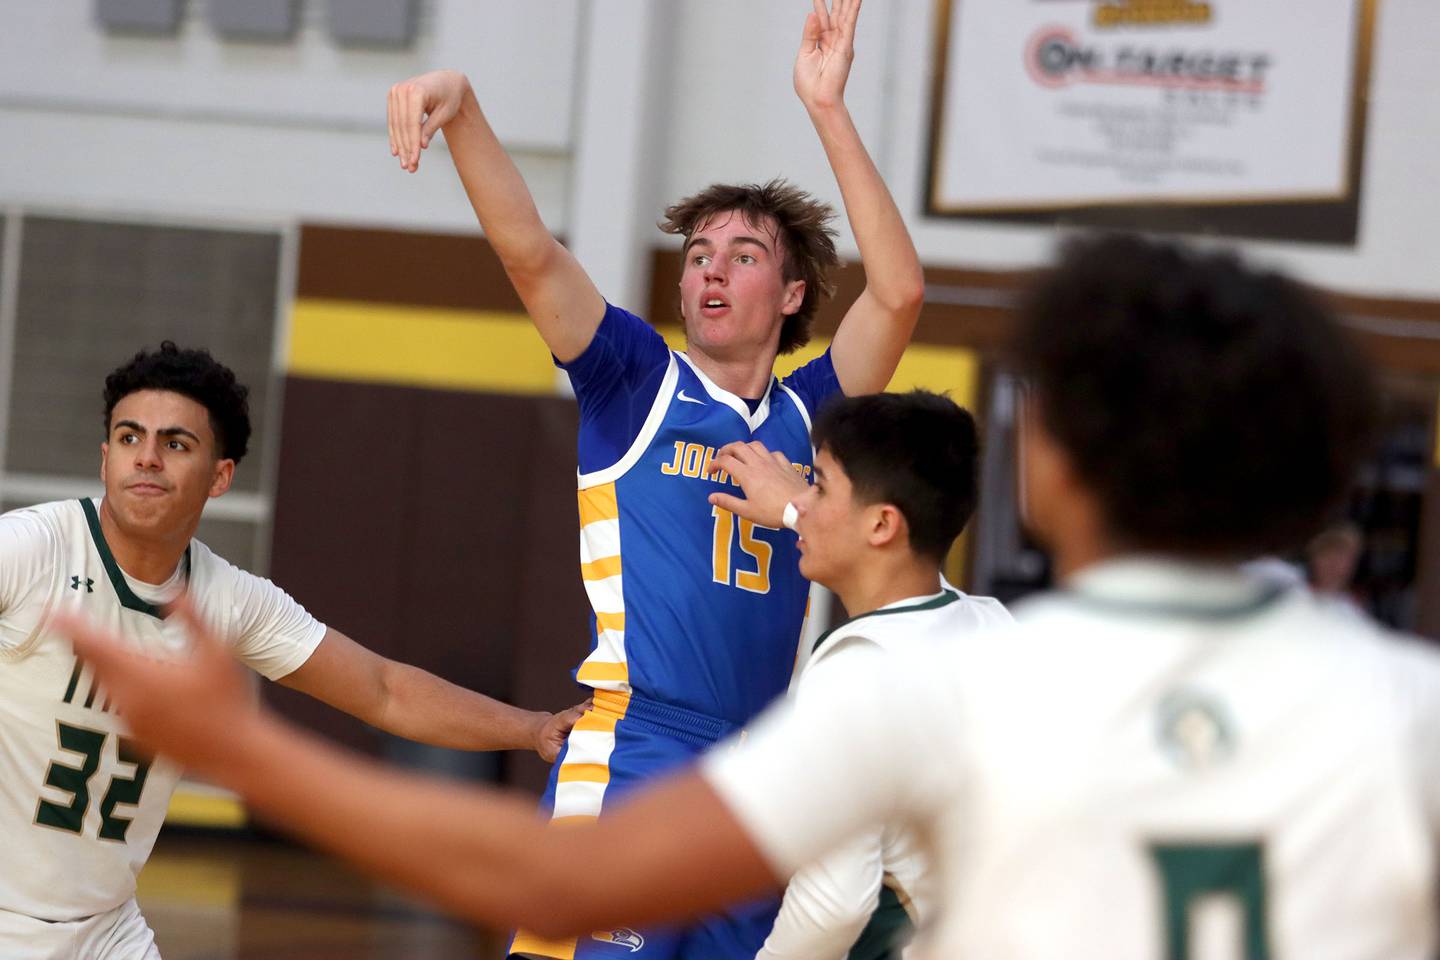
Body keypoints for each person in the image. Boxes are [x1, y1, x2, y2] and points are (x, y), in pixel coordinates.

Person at [65, 234, 1440, 959]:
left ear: (1055, 467)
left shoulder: (940, 679)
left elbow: (553, 874)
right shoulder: (1408, 713)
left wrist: (243, 748)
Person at [388, 1, 923, 955]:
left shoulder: (813, 415)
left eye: (744, 255)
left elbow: (898, 293)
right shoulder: (634, 376)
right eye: (698, 255)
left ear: (793, 295)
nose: (711, 271)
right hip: (637, 748)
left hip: (761, 778)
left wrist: (827, 108)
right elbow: (531, 253)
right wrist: (464, 110)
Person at [0, 343, 583, 960]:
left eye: (175, 443)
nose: (146, 458)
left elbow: (383, 690)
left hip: (105, 930)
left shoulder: (230, 598)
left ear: (220, 475)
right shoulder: (33, 549)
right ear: (104, 457)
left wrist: (533, 728)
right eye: (128, 437)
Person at [706, 395, 1012, 960]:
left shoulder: (856, 667)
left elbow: (833, 903)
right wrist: (805, 513)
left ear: (881, 524)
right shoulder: (991, 622)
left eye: (817, 486)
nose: (800, 500)